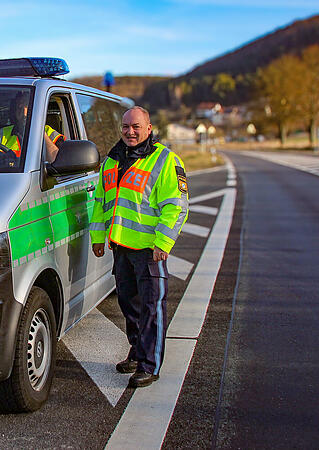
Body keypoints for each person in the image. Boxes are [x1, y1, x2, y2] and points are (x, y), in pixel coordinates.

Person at [89, 106, 189, 388]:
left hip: (149, 250)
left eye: (136, 127)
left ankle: (149, 364)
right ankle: (137, 351)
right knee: (128, 305)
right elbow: (101, 203)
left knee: (151, 307)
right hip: (121, 248)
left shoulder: (165, 160)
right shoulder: (111, 161)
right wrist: (98, 238)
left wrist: (163, 242)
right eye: (125, 127)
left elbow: (176, 207)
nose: (130, 132)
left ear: (148, 128)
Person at [0, 91, 63, 161]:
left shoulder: (50, 133)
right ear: (14, 111)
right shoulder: (1, 134)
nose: (24, 113)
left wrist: (40, 131)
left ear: (37, 110)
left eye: (28, 107)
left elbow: (56, 161)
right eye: (19, 108)